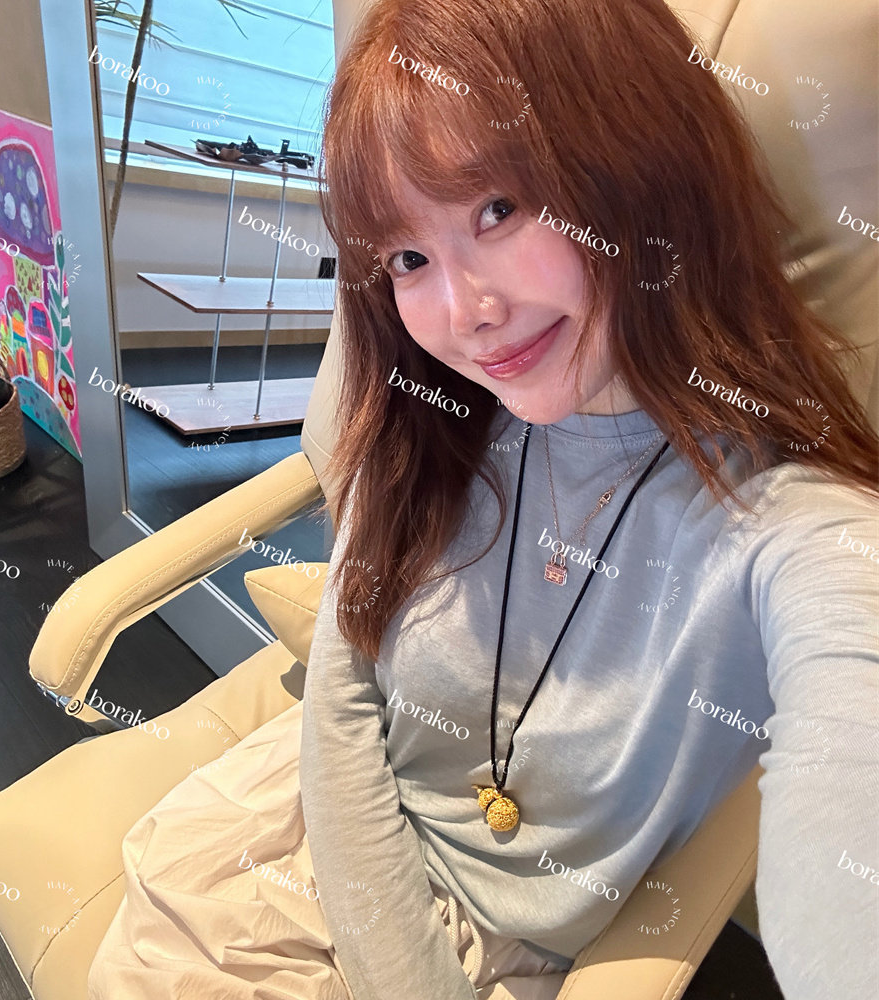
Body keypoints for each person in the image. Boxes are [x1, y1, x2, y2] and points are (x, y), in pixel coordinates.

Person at [88, 1, 878, 998]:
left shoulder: (793, 528)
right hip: (280, 834)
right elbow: (343, 691)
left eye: (498, 209)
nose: (466, 314)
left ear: (644, 167)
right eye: (408, 259)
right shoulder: (431, 422)